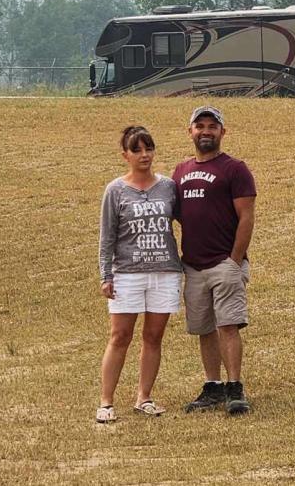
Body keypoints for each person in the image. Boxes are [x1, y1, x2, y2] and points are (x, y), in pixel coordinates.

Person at [172, 106, 256, 415]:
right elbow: (179, 215)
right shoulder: (179, 172)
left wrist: (234, 261)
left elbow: (246, 217)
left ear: (223, 132)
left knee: (228, 325)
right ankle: (213, 387)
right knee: (204, 328)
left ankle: (235, 388)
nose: (206, 131)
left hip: (224, 263)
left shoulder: (235, 168)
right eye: (200, 126)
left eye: (212, 126)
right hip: (193, 265)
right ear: (190, 131)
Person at [96, 126, 183, 424]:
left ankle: (143, 397)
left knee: (153, 336)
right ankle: (106, 402)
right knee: (120, 336)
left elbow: (190, 219)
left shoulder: (169, 187)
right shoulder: (116, 190)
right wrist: (106, 274)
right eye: (137, 150)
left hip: (165, 271)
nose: (145, 155)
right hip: (128, 273)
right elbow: (107, 236)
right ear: (125, 155)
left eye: (149, 148)